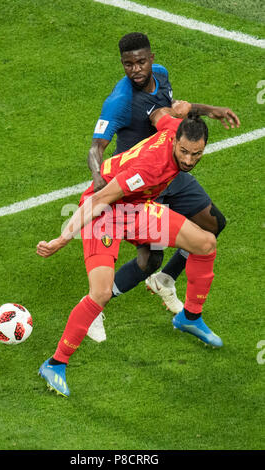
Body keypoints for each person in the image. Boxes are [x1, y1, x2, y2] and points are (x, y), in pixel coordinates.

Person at [37, 102, 223, 397]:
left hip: (135, 210)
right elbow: (99, 200)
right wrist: (63, 238)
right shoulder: (150, 168)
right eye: (184, 152)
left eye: (196, 154)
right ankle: (55, 363)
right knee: (99, 292)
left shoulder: (179, 129)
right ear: (175, 143)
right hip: (105, 214)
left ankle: (189, 317)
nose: (188, 160)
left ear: (202, 145)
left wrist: (207, 109)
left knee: (206, 243)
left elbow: (163, 114)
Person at [86, 32, 240, 342]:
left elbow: (173, 112)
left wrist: (210, 110)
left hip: (172, 169)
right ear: (122, 65)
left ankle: (167, 280)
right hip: (139, 182)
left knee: (213, 225)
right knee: (148, 259)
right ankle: (93, 309)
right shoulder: (120, 101)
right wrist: (98, 178)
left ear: (152, 58)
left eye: (141, 61)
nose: (136, 69)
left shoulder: (161, 75)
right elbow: (95, 148)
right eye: (128, 64)